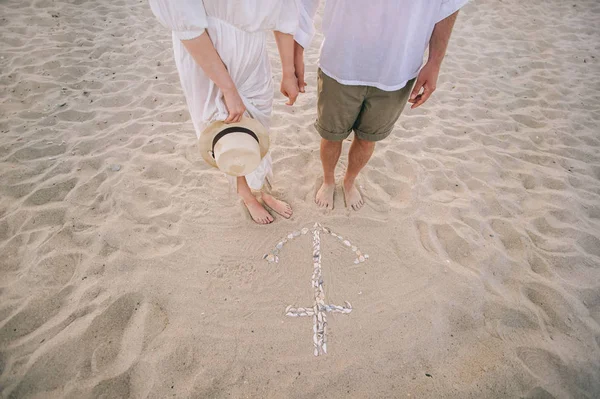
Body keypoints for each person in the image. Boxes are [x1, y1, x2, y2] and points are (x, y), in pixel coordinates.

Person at [294, 0, 469, 210]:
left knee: (368, 138)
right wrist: (296, 52)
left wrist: (434, 62)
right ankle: (329, 180)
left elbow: (448, 6)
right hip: (341, 62)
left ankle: (349, 181)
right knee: (331, 134)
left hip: (398, 69)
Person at [148, 0, 303, 224]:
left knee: (258, 125)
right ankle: (246, 192)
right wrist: (228, 88)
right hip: (209, 48)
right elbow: (184, 21)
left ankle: (260, 188)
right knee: (227, 127)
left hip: (253, 49)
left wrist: (288, 72)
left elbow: (284, 12)